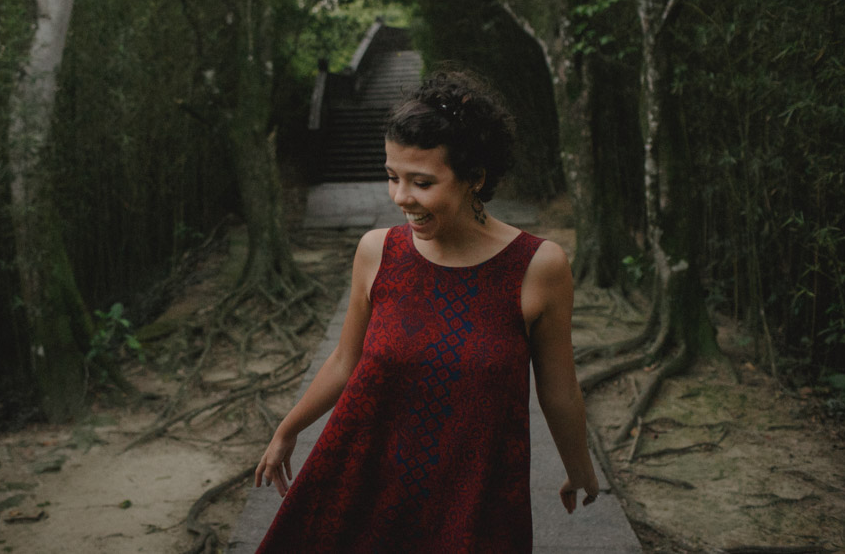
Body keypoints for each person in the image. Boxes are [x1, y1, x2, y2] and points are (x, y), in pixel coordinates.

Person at [253, 70, 599, 552]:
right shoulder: (377, 252)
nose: (400, 198)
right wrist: (287, 430)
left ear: (475, 178)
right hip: (367, 483)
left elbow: (558, 388)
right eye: (392, 176)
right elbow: (343, 361)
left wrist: (579, 467)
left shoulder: (538, 267)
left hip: (473, 498)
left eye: (421, 182)